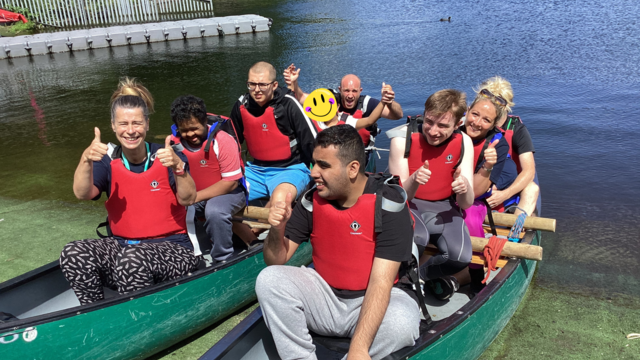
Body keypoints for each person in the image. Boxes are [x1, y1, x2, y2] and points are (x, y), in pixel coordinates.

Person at [255, 125, 420, 360]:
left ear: (353, 168)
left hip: (377, 298)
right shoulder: (311, 200)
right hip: (326, 297)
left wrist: (359, 348)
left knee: (400, 324)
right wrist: (277, 229)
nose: (313, 172)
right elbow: (275, 260)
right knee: (269, 280)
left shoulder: (389, 204)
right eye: (314, 163)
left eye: (324, 165)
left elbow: (381, 282)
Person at [60, 78, 198, 305]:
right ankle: (95, 311)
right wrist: (85, 159)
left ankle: (138, 317)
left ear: (147, 124)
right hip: (123, 247)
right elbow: (82, 193)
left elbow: (189, 198)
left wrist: (178, 168)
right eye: (123, 124)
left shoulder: (167, 155)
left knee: (132, 260)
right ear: (113, 126)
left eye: (137, 123)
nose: (131, 131)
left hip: (174, 249)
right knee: (73, 252)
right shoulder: (107, 160)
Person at [387, 89, 475, 301]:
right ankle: (396, 281)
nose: (433, 131)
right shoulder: (402, 139)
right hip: (410, 205)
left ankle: (417, 278)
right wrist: (414, 179)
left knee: (461, 256)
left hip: (444, 207)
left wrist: (464, 188)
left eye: (443, 126)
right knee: (417, 239)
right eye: (429, 122)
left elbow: (466, 204)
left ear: (457, 124)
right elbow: (397, 197)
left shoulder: (464, 142)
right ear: (424, 114)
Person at [169, 95, 246, 262]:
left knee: (215, 210)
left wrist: (194, 198)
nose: (190, 134)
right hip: (193, 196)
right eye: (184, 130)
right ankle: (177, 254)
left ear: (204, 121)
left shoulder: (223, 141)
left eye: (195, 128)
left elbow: (230, 183)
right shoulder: (173, 143)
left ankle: (222, 257)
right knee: (166, 207)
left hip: (230, 193)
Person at [283, 64, 403, 146]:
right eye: (346, 90)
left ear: (360, 91)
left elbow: (397, 115)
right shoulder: (330, 99)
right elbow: (302, 98)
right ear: (340, 90)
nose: (350, 95)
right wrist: (294, 82)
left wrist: (387, 100)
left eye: (354, 91)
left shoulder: (366, 104)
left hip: (358, 152)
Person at [479, 76, 540, 218]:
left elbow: (529, 171)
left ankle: (515, 232)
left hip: (507, 186)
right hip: (479, 181)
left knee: (532, 188)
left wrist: (504, 194)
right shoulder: (474, 123)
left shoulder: (517, 129)